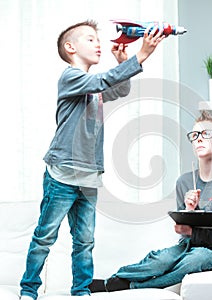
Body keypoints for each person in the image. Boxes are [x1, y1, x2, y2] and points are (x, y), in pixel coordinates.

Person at [19, 20, 165, 300]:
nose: (98, 44)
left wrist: (123, 62)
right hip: (62, 174)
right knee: (44, 237)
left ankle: (81, 290)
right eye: (90, 39)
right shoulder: (70, 77)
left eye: (98, 39)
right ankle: (28, 290)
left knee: (84, 240)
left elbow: (118, 90)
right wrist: (140, 56)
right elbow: (102, 80)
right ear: (70, 47)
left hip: (88, 176)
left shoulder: (94, 85)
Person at [89, 110, 212, 292]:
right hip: (190, 245)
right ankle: (113, 280)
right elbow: (182, 230)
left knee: (198, 257)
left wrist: (192, 232)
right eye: (195, 135)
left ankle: (124, 286)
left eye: (206, 134)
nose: (198, 139)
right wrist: (189, 210)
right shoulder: (184, 182)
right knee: (161, 259)